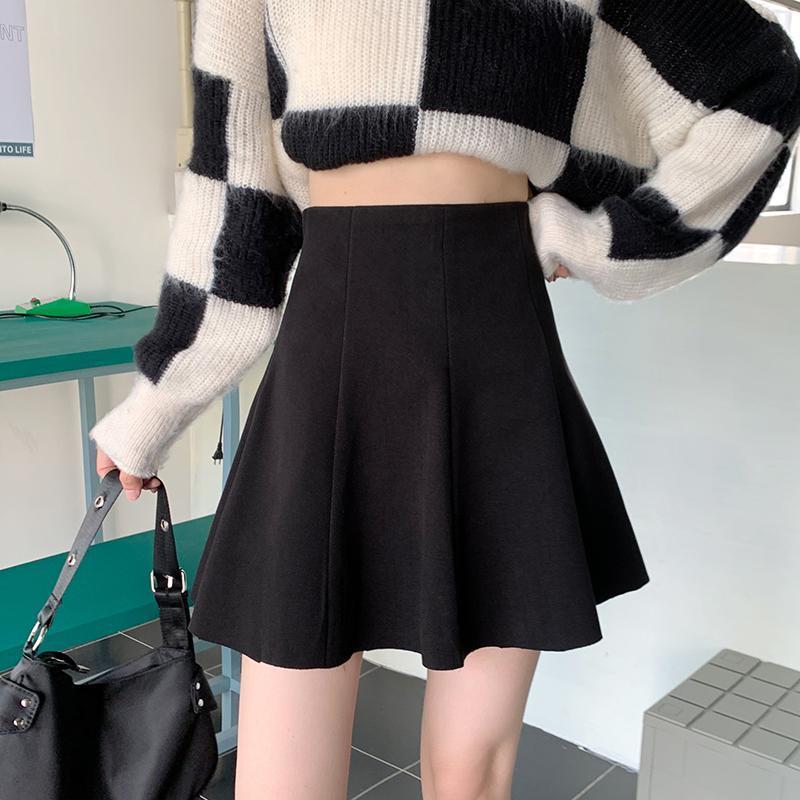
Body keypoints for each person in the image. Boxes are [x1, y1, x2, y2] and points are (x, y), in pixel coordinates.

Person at [91, 1, 800, 797]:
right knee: (284, 768)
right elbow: (233, 201)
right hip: (336, 336)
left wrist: (595, 239)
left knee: (472, 770)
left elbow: (759, 86)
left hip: (495, 333)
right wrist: (156, 406)